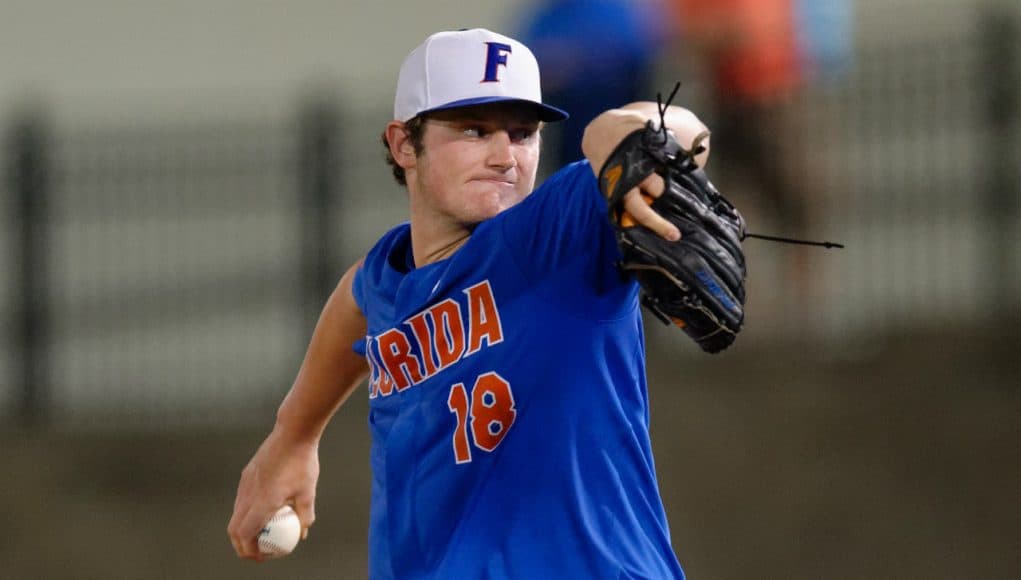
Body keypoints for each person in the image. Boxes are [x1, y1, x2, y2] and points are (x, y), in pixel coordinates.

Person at [228, 28, 709, 578]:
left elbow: (686, 132)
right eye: (475, 130)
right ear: (404, 144)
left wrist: (621, 131)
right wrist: (293, 434)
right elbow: (355, 302)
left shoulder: (558, 231)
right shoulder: (388, 275)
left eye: (523, 133)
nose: (505, 155)